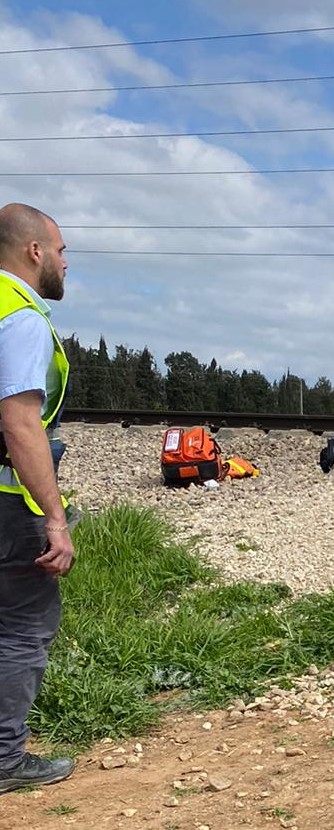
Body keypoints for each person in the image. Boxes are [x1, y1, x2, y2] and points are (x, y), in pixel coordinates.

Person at [0, 203, 76, 794]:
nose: (65, 261)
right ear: (34, 252)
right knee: (24, 625)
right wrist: (54, 519)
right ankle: (4, 757)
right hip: (5, 504)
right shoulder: (20, 316)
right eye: (60, 249)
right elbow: (21, 425)